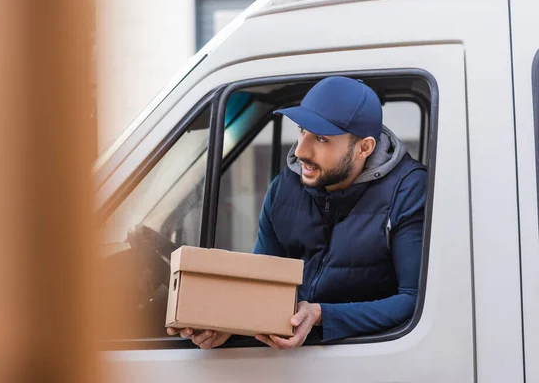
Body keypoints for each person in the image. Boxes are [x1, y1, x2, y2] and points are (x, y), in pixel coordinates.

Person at [167, 76, 427, 350]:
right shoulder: (284, 189)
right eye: (302, 130)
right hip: (290, 366)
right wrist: (229, 326)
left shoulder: (407, 191)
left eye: (321, 138)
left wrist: (320, 315)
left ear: (364, 148)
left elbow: (414, 300)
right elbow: (263, 286)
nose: (301, 150)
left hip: (372, 361)